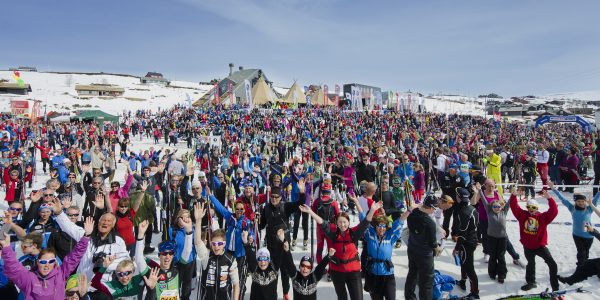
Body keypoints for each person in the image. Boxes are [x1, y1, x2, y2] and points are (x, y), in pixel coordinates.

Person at [301, 200, 379, 300]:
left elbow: (365, 223)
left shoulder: (353, 233)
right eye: (340, 222)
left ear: (348, 222)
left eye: (344, 222)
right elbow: (323, 224)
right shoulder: (333, 235)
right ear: (336, 223)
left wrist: (372, 210)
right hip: (337, 272)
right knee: (342, 297)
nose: (342, 225)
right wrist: (310, 212)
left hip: (353, 272)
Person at [0, 217, 92, 300]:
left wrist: (86, 236)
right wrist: (6, 247)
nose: (47, 265)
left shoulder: (60, 274)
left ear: (55, 263)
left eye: (51, 261)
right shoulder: (29, 278)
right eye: (43, 262)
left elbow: (74, 257)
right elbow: (13, 266)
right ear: (38, 262)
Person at [509, 189, 559, 291]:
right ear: (527, 208)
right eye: (529, 207)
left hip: (540, 246)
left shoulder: (543, 217)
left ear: (537, 208)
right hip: (527, 246)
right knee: (531, 264)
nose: (531, 209)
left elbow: (554, 211)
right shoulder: (523, 215)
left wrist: (549, 198)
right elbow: (514, 207)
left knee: (552, 264)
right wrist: (513, 196)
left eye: (534, 207)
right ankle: (531, 282)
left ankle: (555, 284)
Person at [136, 217, 193, 300]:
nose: (167, 256)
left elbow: (187, 251)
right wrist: (140, 235)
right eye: (164, 253)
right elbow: (139, 260)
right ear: (159, 255)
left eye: (171, 253)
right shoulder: (153, 273)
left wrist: (188, 231)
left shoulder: (177, 270)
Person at [195, 203, 240, 300]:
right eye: (214, 244)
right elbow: (197, 242)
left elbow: (236, 284)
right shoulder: (206, 256)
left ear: (224, 244)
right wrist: (198, 221)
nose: (216, 246)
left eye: (219, 244)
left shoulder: (231, 260)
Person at [363, 209, 410, 300]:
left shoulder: (390, 236)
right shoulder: (370, 234)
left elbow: (399, 222)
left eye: (384, 226)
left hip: (387, 274)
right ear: (375, 226)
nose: (382, 228)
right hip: (373, 275)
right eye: (379, 226)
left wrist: (409, 210)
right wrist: (372, 209)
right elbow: (364, 220)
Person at [549, 182, 600, 266]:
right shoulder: (572, 208)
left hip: (589, 235)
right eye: (578, 201)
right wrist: (553, 189)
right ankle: (580, 266)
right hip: (577, 235)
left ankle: (584, 264)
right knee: (581, 252)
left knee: (586, 252)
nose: (581, 203)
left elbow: (596, 199)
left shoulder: (589, 209)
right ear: (575, 202)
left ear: (585, 201)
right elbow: (563, 199)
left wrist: (599, 191)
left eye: (582, 201)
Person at [405, 195, 442, 300]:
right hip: (425, 256)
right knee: (426, 283)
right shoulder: (430, 223)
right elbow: (433, 243)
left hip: (412, 250)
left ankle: (409, 297)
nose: (434, 211)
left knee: (412, 275)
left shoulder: (412, 213)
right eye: (434, 208)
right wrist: (438, 248)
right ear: (430, 207)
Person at [472, 182, 509, 283]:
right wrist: (479, 190)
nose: (497, 208)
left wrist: (513, 195)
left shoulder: (503, 212)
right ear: (491, 208)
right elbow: (483, 201)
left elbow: (508, 203)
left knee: (501, 257)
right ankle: (492, 272)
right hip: (492, 237)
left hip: (502, 239)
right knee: (493, 256)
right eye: (495, 207)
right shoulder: (489, 212)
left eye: (498, 207)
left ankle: (502, 274)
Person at [243, 229, 286, 300]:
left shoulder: (273, 268)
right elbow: (250, 256)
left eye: (265, 259)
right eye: (260, 259)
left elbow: (278, 254)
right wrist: (246, 242)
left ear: (269, 260)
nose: (263, 262)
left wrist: (281, 241)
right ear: (257, 261)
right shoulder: (255, 269)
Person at [452, 187, 479, 299]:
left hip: (467, 242)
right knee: (463, 262)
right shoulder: (472, 208)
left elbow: (462, 233)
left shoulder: (464, 212)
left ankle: (475, 294)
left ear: (459, 197)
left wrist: (456, 248)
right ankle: (463, 281)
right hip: (471, 239)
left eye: (456, 196)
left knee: (469, 268)